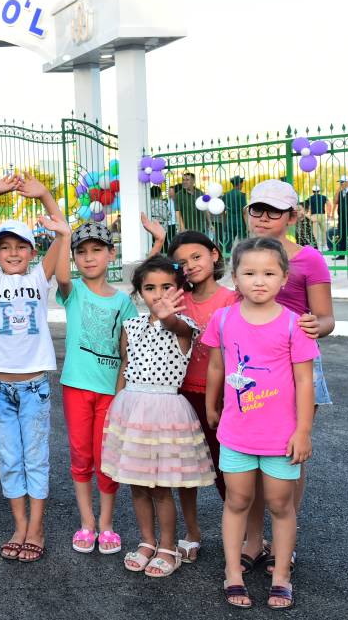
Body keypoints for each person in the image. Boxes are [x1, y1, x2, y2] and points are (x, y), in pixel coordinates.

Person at [203, 237, 318, 610]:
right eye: (249, 273)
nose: (259, 281)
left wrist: (303, 431)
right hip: (236, 433)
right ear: (235, 278)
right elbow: (217, 366)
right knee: (237, 499)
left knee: (280, 503)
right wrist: (210, 404)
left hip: (281, 437)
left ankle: (281, 575)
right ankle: (232, 572)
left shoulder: (294, 324)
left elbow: (305, 381)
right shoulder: (223, 319)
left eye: (269, 273)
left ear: (284, 278)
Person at [0, 174, 66, 563]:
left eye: (20, 246)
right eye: (4, 247)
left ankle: (36, 527)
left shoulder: (40, 277)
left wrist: (46, 196)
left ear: (32, 251)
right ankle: (20, 525)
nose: (12, 253)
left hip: (34, 386)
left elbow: (61, 232)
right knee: (9, 460)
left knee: (35, 458)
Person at [100, 255, 215, 577]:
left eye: (167, 287)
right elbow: (126, 366)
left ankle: (167, 546)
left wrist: (168, 316)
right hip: (131, 410)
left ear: (180, 290)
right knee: (136, 484)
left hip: (165, 412)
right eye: (150, 288)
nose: (159, 294)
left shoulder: (184, 327)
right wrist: (116, 406)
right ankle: (147, 541)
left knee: (160, 486)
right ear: (139, 292)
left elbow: (173, 324)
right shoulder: (131, 326)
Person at [242, 179, 335, 576]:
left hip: (298, 368)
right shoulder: (244, 254)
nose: (264, 218)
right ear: (247, 213)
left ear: (292, 217)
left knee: (291, 453)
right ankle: (251, 541)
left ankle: (285, 544)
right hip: (253, 369)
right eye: (257, 209)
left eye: (274, 211)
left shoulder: (309, 259)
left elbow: (327, 318)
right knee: (248, 455)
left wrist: (316, 325)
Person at [144, 217, 236, 562]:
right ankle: (192, 532)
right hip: (181, 396)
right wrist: (158, 243)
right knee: (183, 471)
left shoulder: (232, 299)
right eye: (181, 262)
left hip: (223, 397)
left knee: (228, 471)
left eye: (197, 256)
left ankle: (243, 535)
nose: (191, 266)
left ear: (214, 254)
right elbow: (147, 280)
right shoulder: (177, 298)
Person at [55, 220, 138, 556]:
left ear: (111, 254)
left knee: (106, 458)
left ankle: (106, 523)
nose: (89, 258)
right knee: (81, 455)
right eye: (82, 252)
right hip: (76, 387)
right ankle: (87, 522)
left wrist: (120, 393)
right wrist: (64, 235)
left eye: (97, 250)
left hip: (109, 393)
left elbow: (127, 353)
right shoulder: (73, 291)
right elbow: (61, 275)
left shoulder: (123, 302)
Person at [219, 176, 249, 253]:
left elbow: (222, 211)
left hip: (229, 221)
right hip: (240, 222)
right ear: (240, 184)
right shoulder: (242, 195)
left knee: (228, 243)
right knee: (243, 242)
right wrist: (247, 226)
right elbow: (244, 212)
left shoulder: (225, 195)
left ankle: (226, 257)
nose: (242, 185)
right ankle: (243, 256)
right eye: (242, 183)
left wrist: (225, 223)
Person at [305, 185, 330, 251]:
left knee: (315, 231)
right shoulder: (324, 197)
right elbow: (329, 204)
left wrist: (307, 214)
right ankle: (324, 244)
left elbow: (305, 206)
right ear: (319, 191)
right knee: (323, 230)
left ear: (312, 191)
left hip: (314, 216)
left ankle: (316, 245)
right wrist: (329, 214)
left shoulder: (310, 198)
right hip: (322, 215)